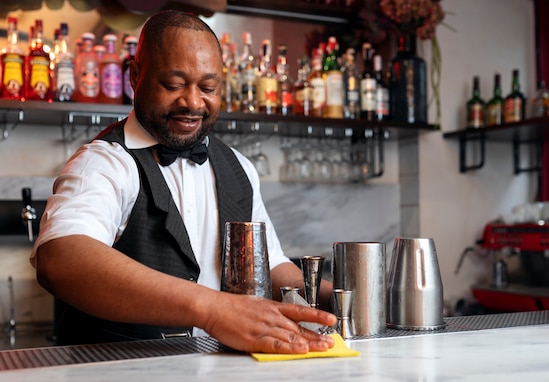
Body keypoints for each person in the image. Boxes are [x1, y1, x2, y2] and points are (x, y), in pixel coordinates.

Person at [30, 10, 336, 354]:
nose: (192, 102)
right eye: (173, 85)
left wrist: (329, 297)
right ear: (135, 76)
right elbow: (61, 259)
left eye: (208, 87)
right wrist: (212, 309)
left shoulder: (239, 167)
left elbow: (273, 262)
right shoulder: (104, 162)